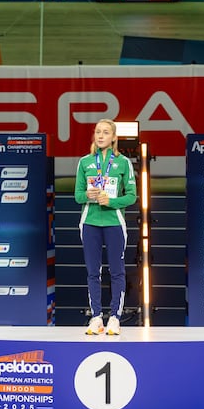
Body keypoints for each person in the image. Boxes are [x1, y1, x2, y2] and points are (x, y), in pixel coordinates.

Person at [74, 119, 137, 335]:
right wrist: (88, 196)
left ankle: (115, 318)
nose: (101, 136)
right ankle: (96, 317)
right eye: (98, 132)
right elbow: (77, 195)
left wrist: (112, 202)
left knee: (117, 271)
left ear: (113, 137)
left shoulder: (123, 163)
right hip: (90, 222)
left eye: (106, 132)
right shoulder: (84, 162)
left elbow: (131, 196)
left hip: (114, 223)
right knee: (93, 272)